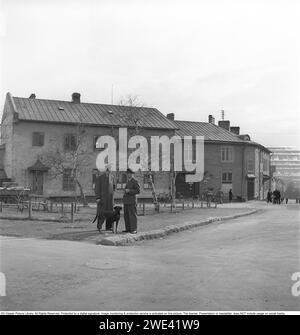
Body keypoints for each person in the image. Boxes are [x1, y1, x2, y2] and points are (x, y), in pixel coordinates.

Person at [94, 165, 115, 231]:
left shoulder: (112, 177)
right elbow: (97, 188)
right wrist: (98, 197)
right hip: (102, 199)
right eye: (107, 170)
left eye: (109, 170)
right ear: (105, 170)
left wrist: (113, 198)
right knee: (101, 212)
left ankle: (109, 227)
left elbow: (113, 188)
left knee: (110, 212)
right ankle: (99, 226)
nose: (108, 171)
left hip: (110, 200)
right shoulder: (100, 178)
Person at [123, 168, 140, 234]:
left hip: (132, 201)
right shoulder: (128, 181)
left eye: (130, 173)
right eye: (127, 173)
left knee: (132, 215)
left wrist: (129, 191)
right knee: (126, 215)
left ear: (132, 174)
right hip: (126, 201)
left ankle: (133, 229)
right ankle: (128, 228)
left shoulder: (135, 181)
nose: (128, 175)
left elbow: (138, 191)